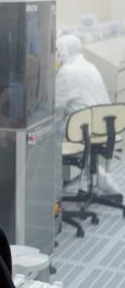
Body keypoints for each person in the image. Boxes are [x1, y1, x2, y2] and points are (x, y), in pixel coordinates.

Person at [55, 34, 120, 194]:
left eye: (57, 51)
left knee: (49, 132)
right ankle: (104, 183)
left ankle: (53, 188)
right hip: (105, 126)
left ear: (63, 52)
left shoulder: (67, 71)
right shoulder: (90, 66)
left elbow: (55, 104)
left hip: (85, 128)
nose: (57, 55)